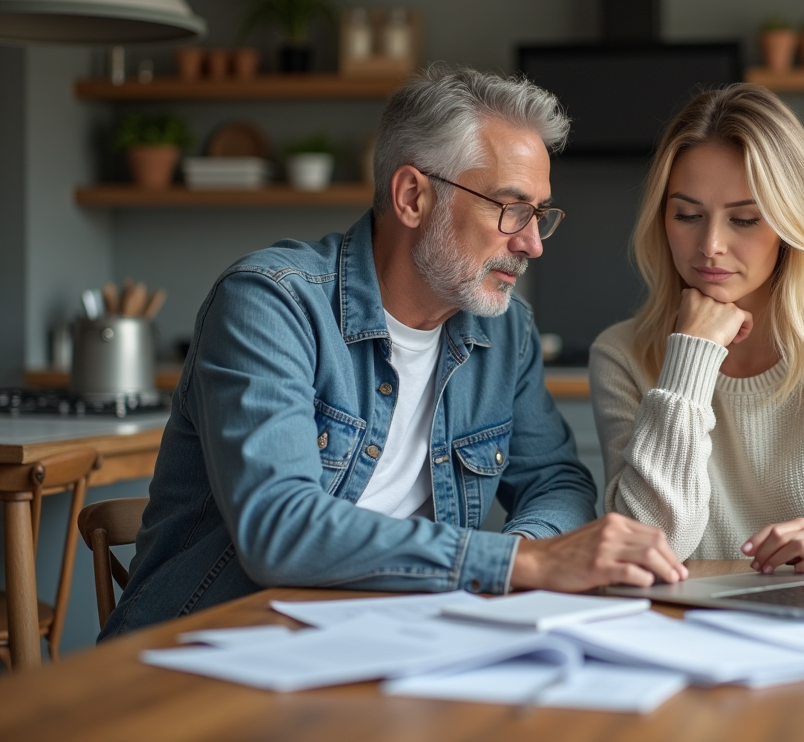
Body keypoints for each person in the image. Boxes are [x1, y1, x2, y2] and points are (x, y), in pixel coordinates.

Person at [102, 66, 686, 638]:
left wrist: (525, 546)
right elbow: (280, 527)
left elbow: (556, 480)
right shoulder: (271, 303)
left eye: (539, 214)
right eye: (510, 208)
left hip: (384, 646)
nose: (532, 244)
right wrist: (517, 566)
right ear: (412, 197)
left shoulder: (505, 332)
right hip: (207, 656)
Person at [589, 83, 804, 577]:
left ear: (792, 222)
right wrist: (691, 360)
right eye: (687, 215)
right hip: (688, 634)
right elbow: (651, 546)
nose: (710, 245)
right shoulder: (622, 354)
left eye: (744, 219)